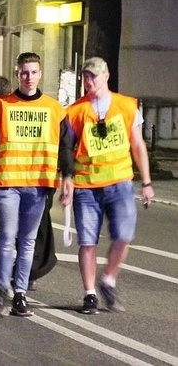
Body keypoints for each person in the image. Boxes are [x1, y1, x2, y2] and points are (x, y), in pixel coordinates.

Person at [0, 52, 71, 317]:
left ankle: (20, 294)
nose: (29, 77)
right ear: (17, 74)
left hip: (39, 184)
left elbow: (65, 148)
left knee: (27, 242)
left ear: (40, 74)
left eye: (33, 72)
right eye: (24, 72)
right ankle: (2, 290)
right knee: (7, 238)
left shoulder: (54, 109)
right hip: (8, 183)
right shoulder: (1, 106)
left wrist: (68, 178)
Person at [60, 57, 154, 314]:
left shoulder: (125, 106)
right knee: (88, 241)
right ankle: (90, 293)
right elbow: (66, 148)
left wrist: (146, 182)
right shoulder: (76, 111)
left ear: (106, 77)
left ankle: (108, 280)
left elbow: (138, 145)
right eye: (85, 77)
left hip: (120, 183)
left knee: (124, 236)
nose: (89, 81)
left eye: (93, 76)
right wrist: (67, 179)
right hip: (87, 186)